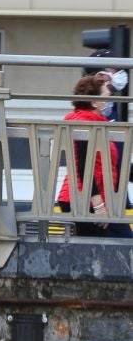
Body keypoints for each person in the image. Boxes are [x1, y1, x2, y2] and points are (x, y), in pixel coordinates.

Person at [55, 74, 126, 238]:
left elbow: (110, 166)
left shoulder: (96, 123)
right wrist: (98, 205)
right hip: (83, 200)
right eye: (105, 97)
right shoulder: (83, 123)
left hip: (89, 198)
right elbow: (84, 167)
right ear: (94, 102)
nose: (108, 101)